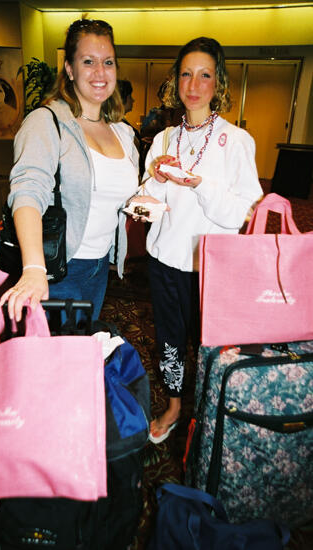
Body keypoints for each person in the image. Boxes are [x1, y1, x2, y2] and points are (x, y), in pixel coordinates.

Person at [130, 37, 263, 444]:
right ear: (176, 79)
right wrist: (153, 178)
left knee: (209, 344)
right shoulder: (165, 138)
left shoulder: (236, 141)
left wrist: (199, 185)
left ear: (218, 82)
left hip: (213, 266)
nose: (194, 83)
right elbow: (148, 203)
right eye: (186, 73)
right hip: (165, 258)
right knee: (171, 339)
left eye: (205, 74)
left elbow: (244, 214)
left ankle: (207, 412)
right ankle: (173, 405)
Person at [0, 18, 139, 323]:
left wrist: (139, 203)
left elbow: (110, 194)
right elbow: (27, 190)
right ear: (70, 69)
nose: (100, 72)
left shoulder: (122, 132)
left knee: (80, 357)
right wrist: (34, 268)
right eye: (88, 61)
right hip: (57, 268)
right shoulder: (46, 122)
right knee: (49, 364)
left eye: (108, 62)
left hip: (100, 267)